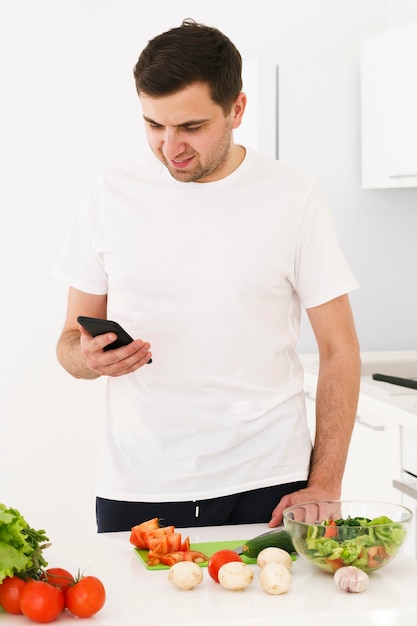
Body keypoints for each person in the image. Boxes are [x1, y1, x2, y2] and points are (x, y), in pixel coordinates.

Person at [54, 18, 361, 533]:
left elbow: (340, 349)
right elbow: (67, 343)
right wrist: (87, 359)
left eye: (191, 127)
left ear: (237, 109)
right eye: (155, 125)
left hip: (270, 483)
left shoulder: (295, 195)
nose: (170, 146)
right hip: (140, 484)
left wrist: (326, 482)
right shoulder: (108, 195)